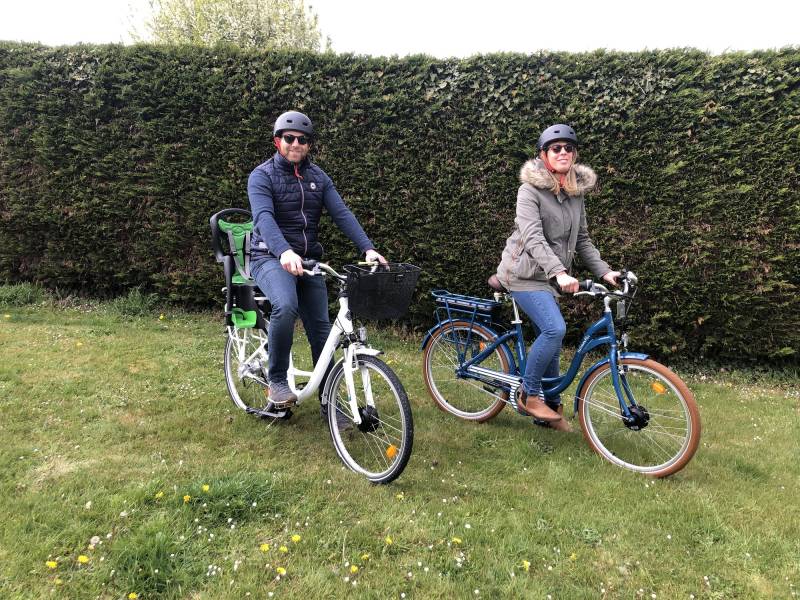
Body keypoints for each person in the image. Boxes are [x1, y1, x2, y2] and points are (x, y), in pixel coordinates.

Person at [247, 110, 386, 412]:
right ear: (277, 141)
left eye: (303, 140)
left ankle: (329, 401)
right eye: (289, 138)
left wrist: (368, 248)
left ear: (309, 144)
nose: (296, 144)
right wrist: (284, 251)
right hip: (268, 256)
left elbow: (342, 214)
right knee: (285, 306)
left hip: (308, 261)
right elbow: (264, 218)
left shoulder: (319, 178)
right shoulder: (261, 176)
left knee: (322, 330)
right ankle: (277, 380)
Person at [493, 124, 620, 432]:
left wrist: (605, 271)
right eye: (556, 148)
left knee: (550, 337)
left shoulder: (575, 194)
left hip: (550, 277)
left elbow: (582, 239)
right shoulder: (529, 191)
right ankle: (529, 394)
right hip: (522, 273)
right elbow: (533, 237)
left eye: (568, 148)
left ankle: (550, 408)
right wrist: (559, 272)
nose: (563, 152)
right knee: (554, 329)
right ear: (544, 155)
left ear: (574, 154)